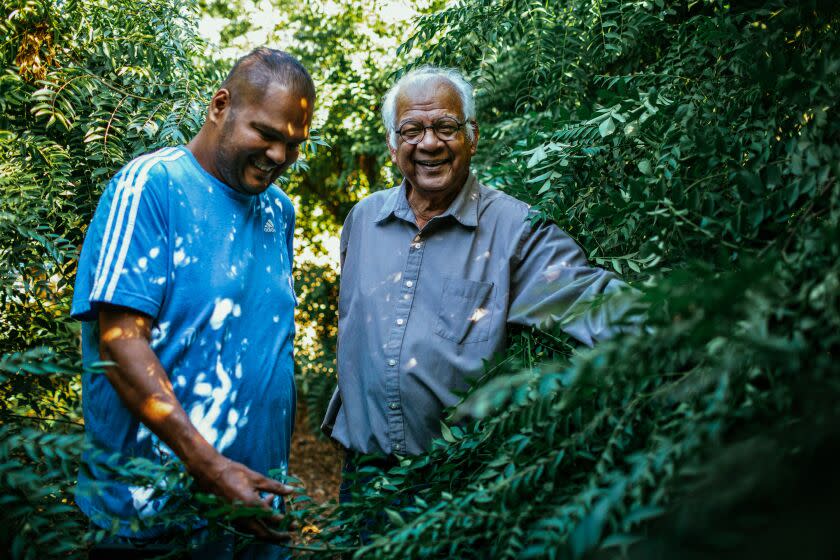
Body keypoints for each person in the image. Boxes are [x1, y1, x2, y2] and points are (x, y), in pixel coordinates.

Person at [322, 66, 632, 466]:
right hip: (362, 475)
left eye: (446, 127)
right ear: (392, 144)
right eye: (412, 130)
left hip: (455, 486)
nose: (429, 143)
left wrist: (697, 318)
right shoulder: (362, 221)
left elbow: (589, 297)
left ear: (472, 137)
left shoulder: (513, 230)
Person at [71, 47, 313, 554]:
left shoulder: (280, 212)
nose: (278, 157)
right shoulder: (150, 186)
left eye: (292, 144)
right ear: (219, 106)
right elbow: (121, 345)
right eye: (266, 135)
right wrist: (209, 466)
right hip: (154, 517)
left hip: (253, 510)